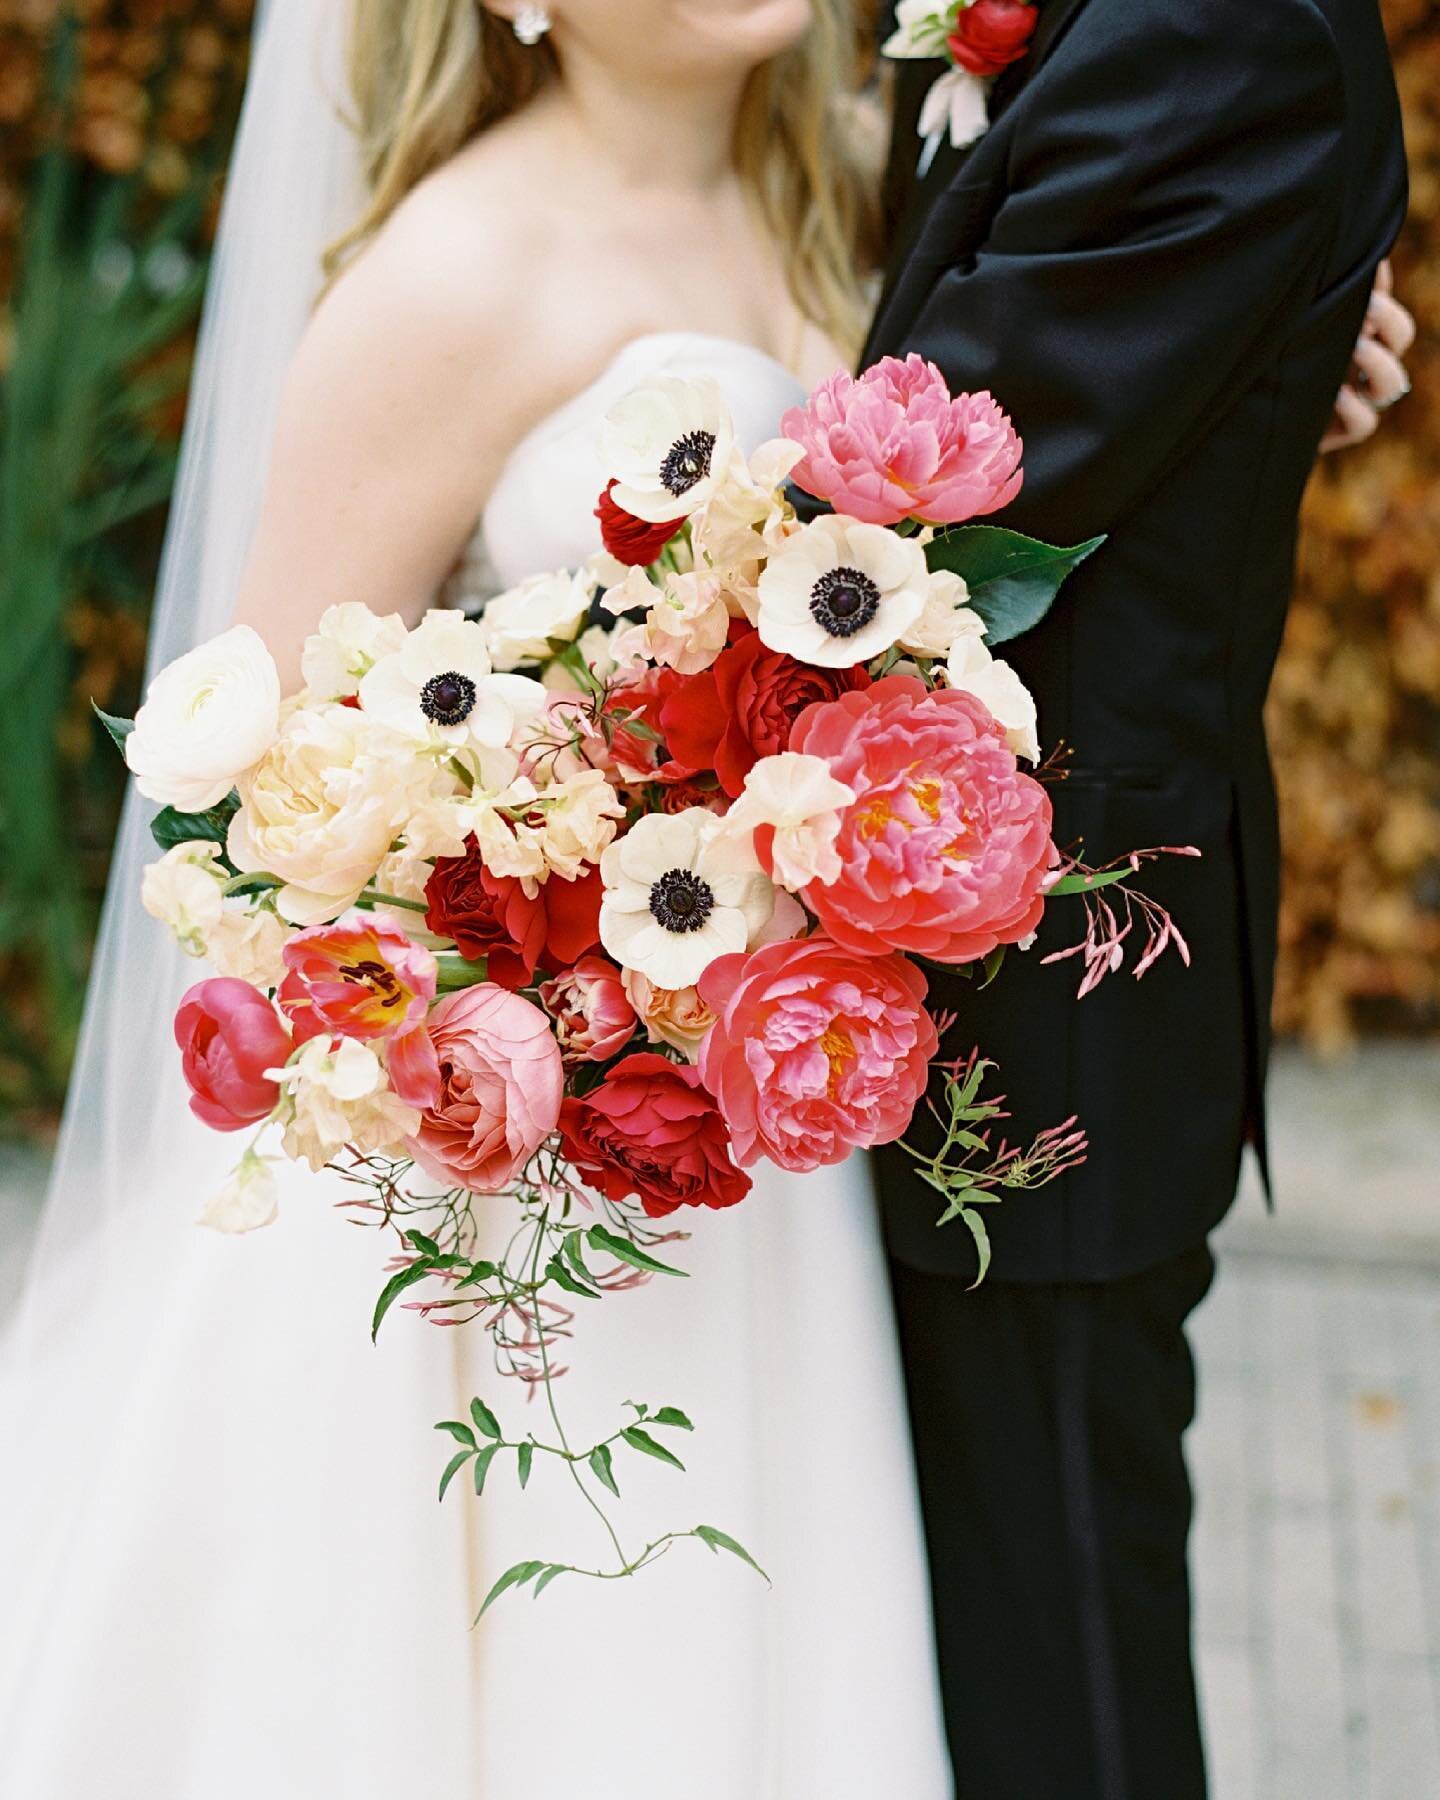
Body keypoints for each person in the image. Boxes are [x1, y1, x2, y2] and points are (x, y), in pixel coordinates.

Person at [0, 5, 955, 1796]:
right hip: (507, 1203)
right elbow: (250, 806)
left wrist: (1305, 330)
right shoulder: (457, 270)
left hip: (753, 1144)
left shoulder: (842, 202)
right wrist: (539, 920)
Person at [866, 2, 1410, 1796]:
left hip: (1034, 1003)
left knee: (1059, 1684)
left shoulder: (1210, 27)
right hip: (896, 966)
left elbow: (905, 517)